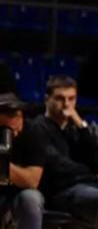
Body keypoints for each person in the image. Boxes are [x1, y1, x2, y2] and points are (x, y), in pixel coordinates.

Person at [19, 76, 98, 225]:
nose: (66, 104)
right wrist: (88, 172)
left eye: (71, 99)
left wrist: (81, 125)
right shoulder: (38, 127)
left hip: (84, 187)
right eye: (60, 98)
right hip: (57, 193)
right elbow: (57, 167)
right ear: (47, 99)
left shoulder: (75, 129)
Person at [0, 93, 42, 229]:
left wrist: (2, 162)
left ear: (21, 118)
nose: (14, 135)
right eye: (5, 130)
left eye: (16, 129)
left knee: (31, 198)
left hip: (20, 193)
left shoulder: (34, 132)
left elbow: (32, 181)